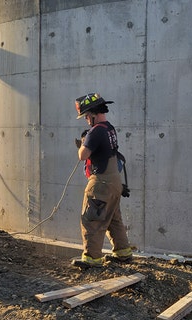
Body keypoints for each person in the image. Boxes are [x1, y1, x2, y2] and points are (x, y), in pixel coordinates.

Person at [73, 93, 133, 268]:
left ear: (92, 113)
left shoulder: (96, 130)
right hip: (115, 182)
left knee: (91, 219)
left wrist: (84, 142)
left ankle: (92, 259)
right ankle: (123, 253)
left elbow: (83, 155)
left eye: (86, 116)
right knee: (113, 219)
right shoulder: (109, 128)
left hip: (101, 183)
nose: (85, 120)